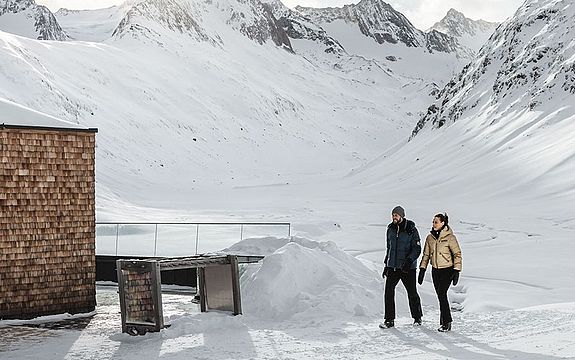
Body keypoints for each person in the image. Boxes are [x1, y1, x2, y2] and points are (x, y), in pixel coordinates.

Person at [380, 206, 423, 328]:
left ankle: (417, 317)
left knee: (412, 292)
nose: (394, 217)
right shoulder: (390, 229)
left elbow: (417, 248)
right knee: (388, 292)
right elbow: (389, 248)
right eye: (393, 214)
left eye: (396, 215)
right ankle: (389, 320)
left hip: (407, 268)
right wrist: (386, 265)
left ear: (402, 216)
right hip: (393, 267)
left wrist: (409, 261)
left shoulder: (411, 229)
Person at [418, 213, 462, 332]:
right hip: (435, 271)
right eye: (433, 222)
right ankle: (443, 321)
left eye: (436, 222)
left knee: (442, 294)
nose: (433, 224)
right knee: (440, 296)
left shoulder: (450, 237)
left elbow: (457, 254)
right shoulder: (430, 238)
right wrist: (422, 269)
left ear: (443, 223)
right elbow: (426, 255)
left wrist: (457, 270)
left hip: (448, 270)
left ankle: (447, 322)